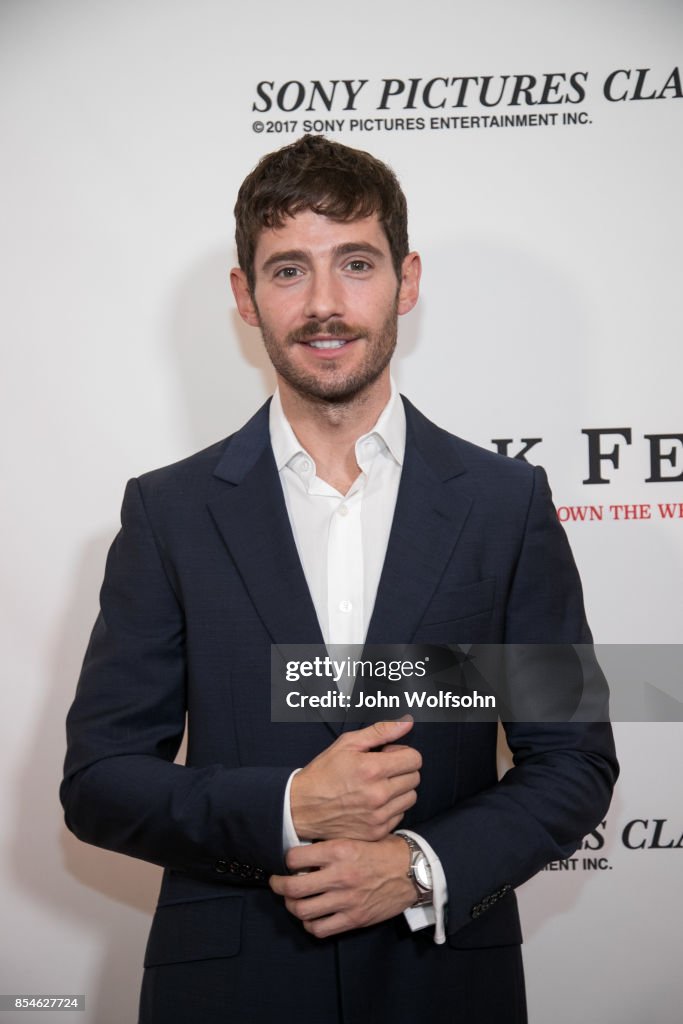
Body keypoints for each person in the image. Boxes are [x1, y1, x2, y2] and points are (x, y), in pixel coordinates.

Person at [61, 134, 618, 1024]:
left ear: (407, 278)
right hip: (229, 989)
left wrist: (416, 866)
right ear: (245, 297)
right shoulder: (168, 513)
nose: (324, 304)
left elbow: (573, 761)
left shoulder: (504, 504)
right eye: (288, 271)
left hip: (443, 985)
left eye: (355, 263)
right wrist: (288, 806)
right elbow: (100, 781)